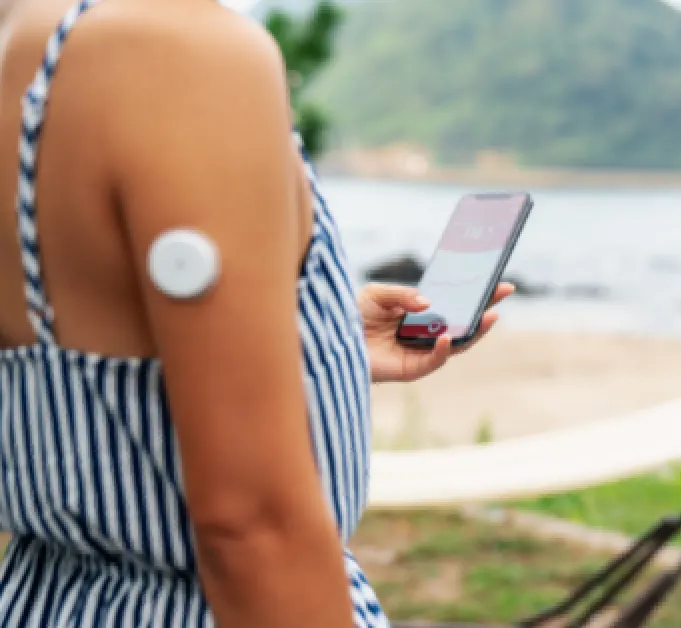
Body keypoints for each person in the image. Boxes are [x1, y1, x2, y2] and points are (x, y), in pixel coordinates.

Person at [0, 0, 512, 626]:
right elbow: (255, 530)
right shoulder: (180, 52)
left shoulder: (27, 44)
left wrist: (310, 337)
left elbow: (83, 329)